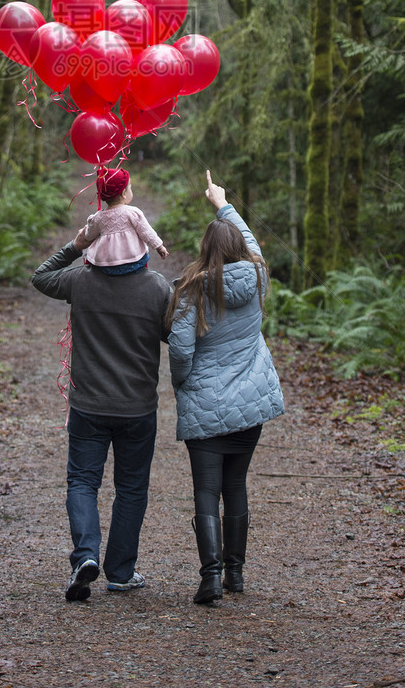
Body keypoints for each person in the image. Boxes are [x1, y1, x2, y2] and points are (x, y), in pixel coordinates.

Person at [31, 207, 172, 602]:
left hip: (88, 407)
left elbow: (40, 277)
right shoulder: (157, 288)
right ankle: (121, 572)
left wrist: (75, 245)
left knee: (82, 482)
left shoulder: (80, 280)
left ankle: (85, 556)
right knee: (131, 489)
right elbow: (175, 335)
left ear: (98, 248)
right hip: (138, 408)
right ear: (140, 245)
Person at [167, 170, 284, 604]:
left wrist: (183, 385)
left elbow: (180, 354)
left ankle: (211, 578)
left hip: (205, 405)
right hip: (249, 407)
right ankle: (236, 574)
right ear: (238, 246)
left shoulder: (189, 293)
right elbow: (252, 241)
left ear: (204, 249)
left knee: (205, 490)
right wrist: (222, 204)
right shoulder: (258, 278)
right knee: (236, 487)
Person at [82, 168, 169, 267]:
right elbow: (146, 232)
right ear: (123, 193)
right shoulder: (133, 213)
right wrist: (159, 246)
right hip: (134, 262)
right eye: (130, 188)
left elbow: (89, 236)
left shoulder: (98, 217)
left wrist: (88, 227)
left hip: (106, 265)